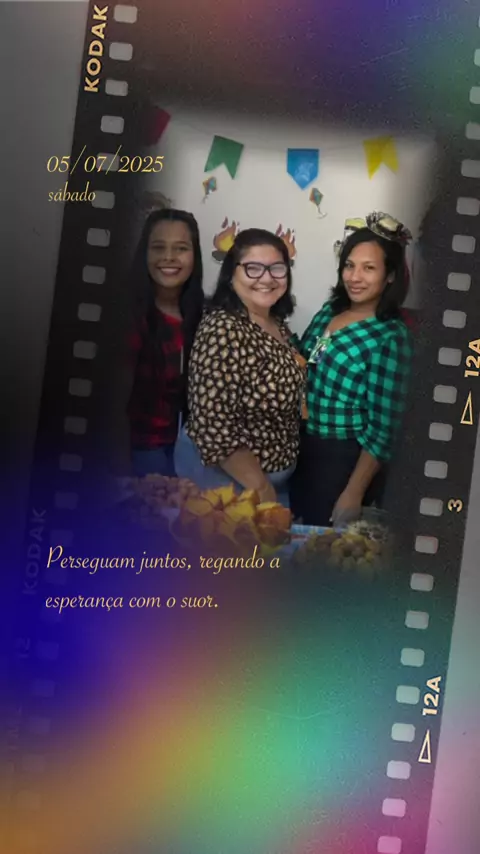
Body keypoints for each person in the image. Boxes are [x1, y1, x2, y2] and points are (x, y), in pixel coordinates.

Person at [289, 212, 413, 527]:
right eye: (349, 265)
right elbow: (304, 360)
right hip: (302, 445)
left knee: (324, 544)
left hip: (343, 459)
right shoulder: (329, 311)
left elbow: (384, 428)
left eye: (369, 268)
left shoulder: (390, 336)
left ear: (389, 276)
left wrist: (353, 492)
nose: (355, 277)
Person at [174, 228, 306, 508]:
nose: (267, 278)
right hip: (229, 484)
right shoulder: (223, 329)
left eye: (277, 268)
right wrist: (262, 487)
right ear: (231, 275)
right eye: (253, 268)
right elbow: (214, 424)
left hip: (270, 482)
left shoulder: (275, 323)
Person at [116, 209, 204, 477]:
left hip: (190, 453)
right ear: (144, 253)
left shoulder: (203, 313)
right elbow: (112, 407)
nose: (169, 257)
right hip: (139, 451)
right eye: (158, 247)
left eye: (181, 248)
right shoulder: (127, 316)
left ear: (194, 256)